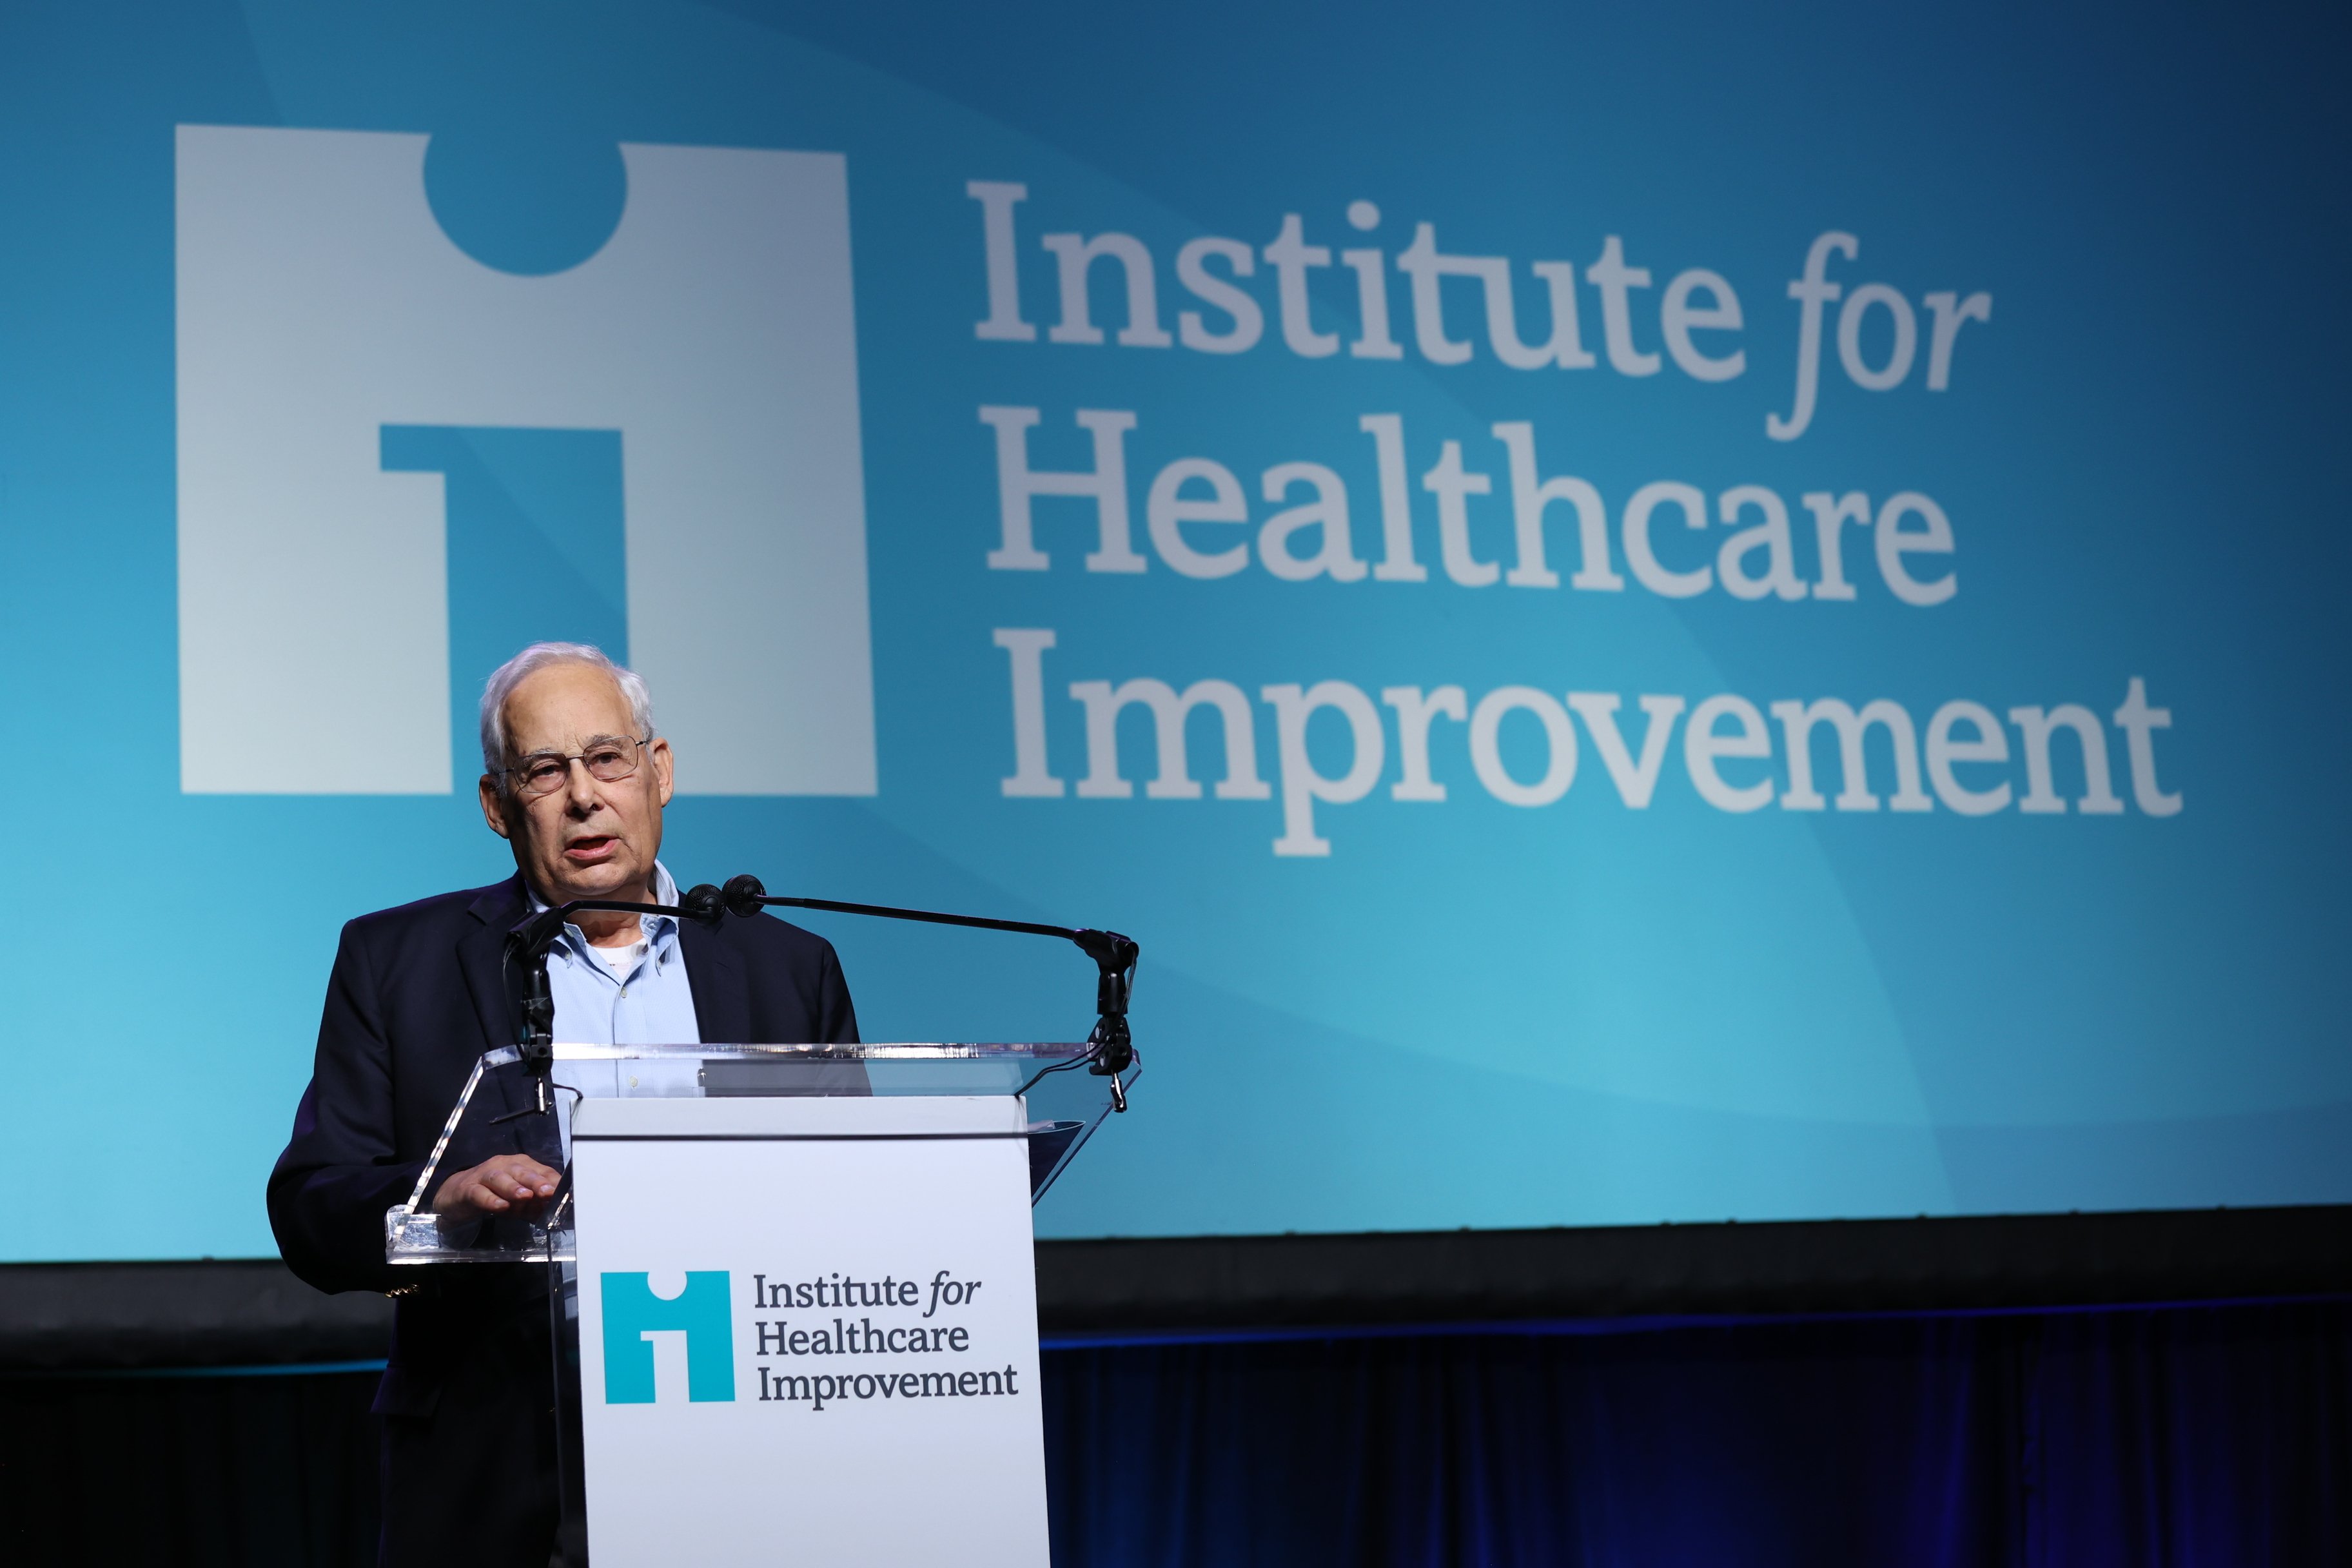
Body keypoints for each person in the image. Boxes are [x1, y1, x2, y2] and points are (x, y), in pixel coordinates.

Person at [268, 642, 858, 1567]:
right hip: (497, 1467)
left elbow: (856, 1205)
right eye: (546, 770)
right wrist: (441, 1210)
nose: (584, 795)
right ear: (499, 806)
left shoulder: (787, 968)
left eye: (607, 758)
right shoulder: (397, 963)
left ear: (658, 772)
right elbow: (311, 1205)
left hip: (746, 1448)